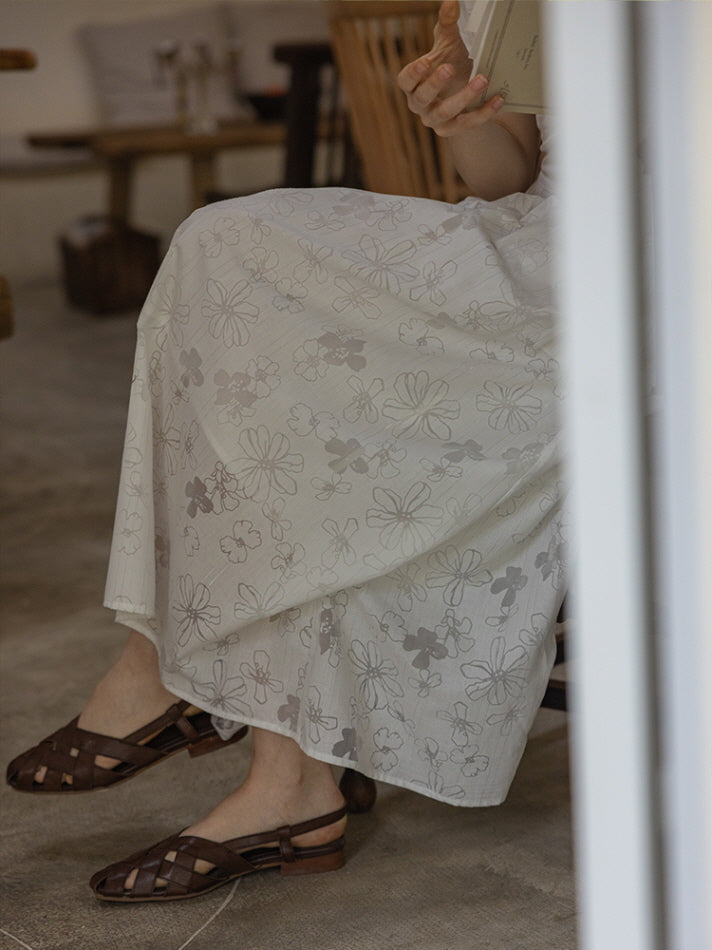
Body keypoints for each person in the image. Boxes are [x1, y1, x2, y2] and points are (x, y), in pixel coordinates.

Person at [6, 1, 564, 902]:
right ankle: (241, 730)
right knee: (221, 246)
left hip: (654, 270)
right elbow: (511, 179)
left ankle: (214, 707)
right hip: (538, 238)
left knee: (288, 330)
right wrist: (467, 114)